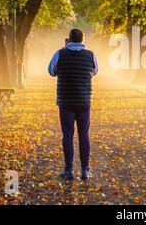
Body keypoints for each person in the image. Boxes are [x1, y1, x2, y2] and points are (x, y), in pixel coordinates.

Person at [48, 28, 98, 180]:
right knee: (84, 135)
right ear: (83, 40)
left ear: (69, 40)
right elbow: (95, 71)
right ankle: (85, 170)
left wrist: (65, 50)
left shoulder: (60, 53)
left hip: (66, 102)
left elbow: (51, 71)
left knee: (67, 135)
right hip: (84, 102)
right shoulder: (91, 55)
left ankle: (69, 170)